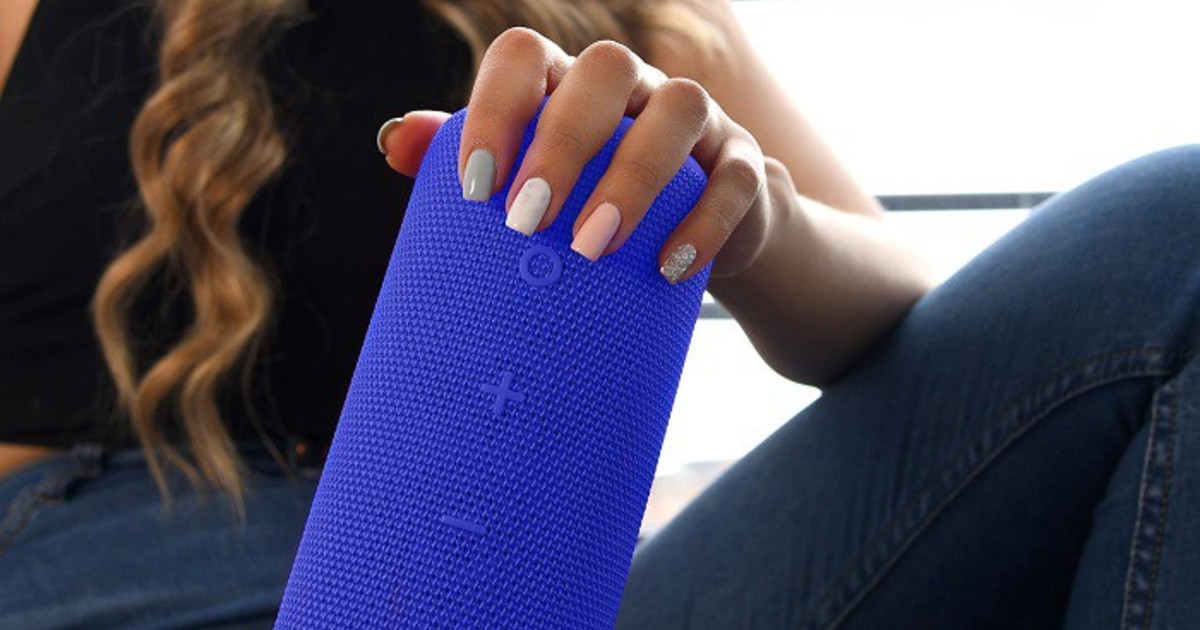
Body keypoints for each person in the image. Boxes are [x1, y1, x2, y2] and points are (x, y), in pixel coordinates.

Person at [0, 0, 1195, 628]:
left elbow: (953, 342)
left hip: (545, 584)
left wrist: (756, 224)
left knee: (1173, 236)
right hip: (124, 574)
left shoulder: (632, 14)